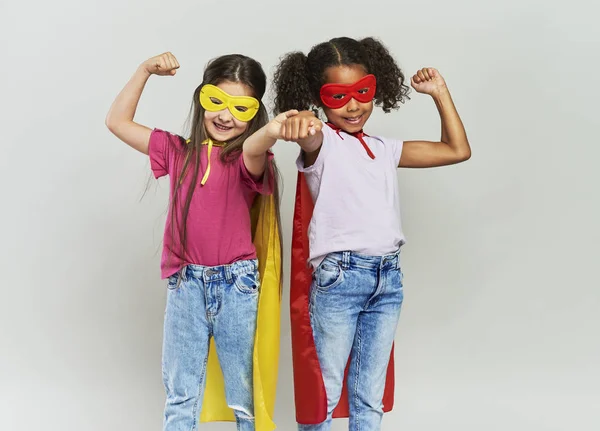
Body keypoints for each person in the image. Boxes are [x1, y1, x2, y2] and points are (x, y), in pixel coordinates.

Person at [273, 36, 471, 431]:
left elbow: (456, 150)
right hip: (340, 279)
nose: (353, 105)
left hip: (388, 279)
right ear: (318, 96)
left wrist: (440, 93)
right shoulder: (322, 142)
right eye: (337, 95)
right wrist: (302, 121)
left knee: (369, 397)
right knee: (324, 396)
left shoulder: (384, 148)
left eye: (363, 92)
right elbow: (308, 133)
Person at [105, 51, 292, 431]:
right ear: (200, 98)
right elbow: (117, 122)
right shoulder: (176, 151)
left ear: (255, 114)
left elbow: (256, 148)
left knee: (244, 395)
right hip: (185, 284)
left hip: (237, 286)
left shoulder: (248, 158)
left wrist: (271, 131)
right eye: (216, 102)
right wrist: (143, 71)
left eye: (241, 108)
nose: (226, 116)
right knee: (181, 393)